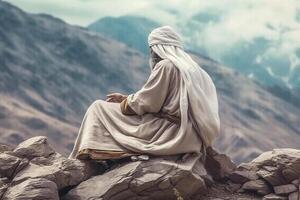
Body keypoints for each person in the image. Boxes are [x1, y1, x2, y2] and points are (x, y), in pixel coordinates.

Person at [68, 26, 220, 162]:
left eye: (152, 48)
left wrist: (126, 103)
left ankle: (88, 154)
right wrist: (127, 98)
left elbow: (149, 103)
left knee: (99, 107)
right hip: (192, 136)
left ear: (157, 47)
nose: (152, 53)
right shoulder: (197, 71)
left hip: (170, 134)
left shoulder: (166, 66)